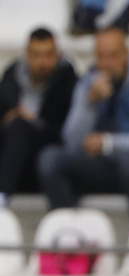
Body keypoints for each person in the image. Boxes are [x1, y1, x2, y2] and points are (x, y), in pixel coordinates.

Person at [38, 29, 129, 210]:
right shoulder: (88, 83)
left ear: (127, 54)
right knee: (50, 158)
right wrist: (90, 104)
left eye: (113, 56)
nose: (106, 63)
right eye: (101, 56)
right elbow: (71, 141)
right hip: (98, 165)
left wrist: (108, 143)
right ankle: (70, 222)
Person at [0, 29, 78, 205]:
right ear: (26, 55)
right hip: (12, 154)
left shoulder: (69, 83)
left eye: (48, 55)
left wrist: (32, 123)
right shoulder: (10, 77)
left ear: (58, 55)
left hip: (46, 156)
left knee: (20, 126)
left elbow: (68, 134)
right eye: (36, 55)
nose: (42, 62)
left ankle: (2, 197)